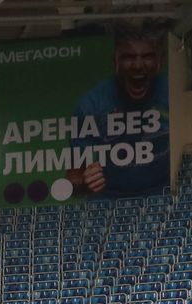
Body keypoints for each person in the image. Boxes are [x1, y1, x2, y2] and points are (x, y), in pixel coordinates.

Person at [67, 29, 169, 199]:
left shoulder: (174, 95)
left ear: (159, 61)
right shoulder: (91, 106)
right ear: (115, 62)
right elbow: (73, 179)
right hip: (109, 200)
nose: (138, 65)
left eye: (147, 56)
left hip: (165, 195)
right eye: (128, 57)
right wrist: (85, 183)